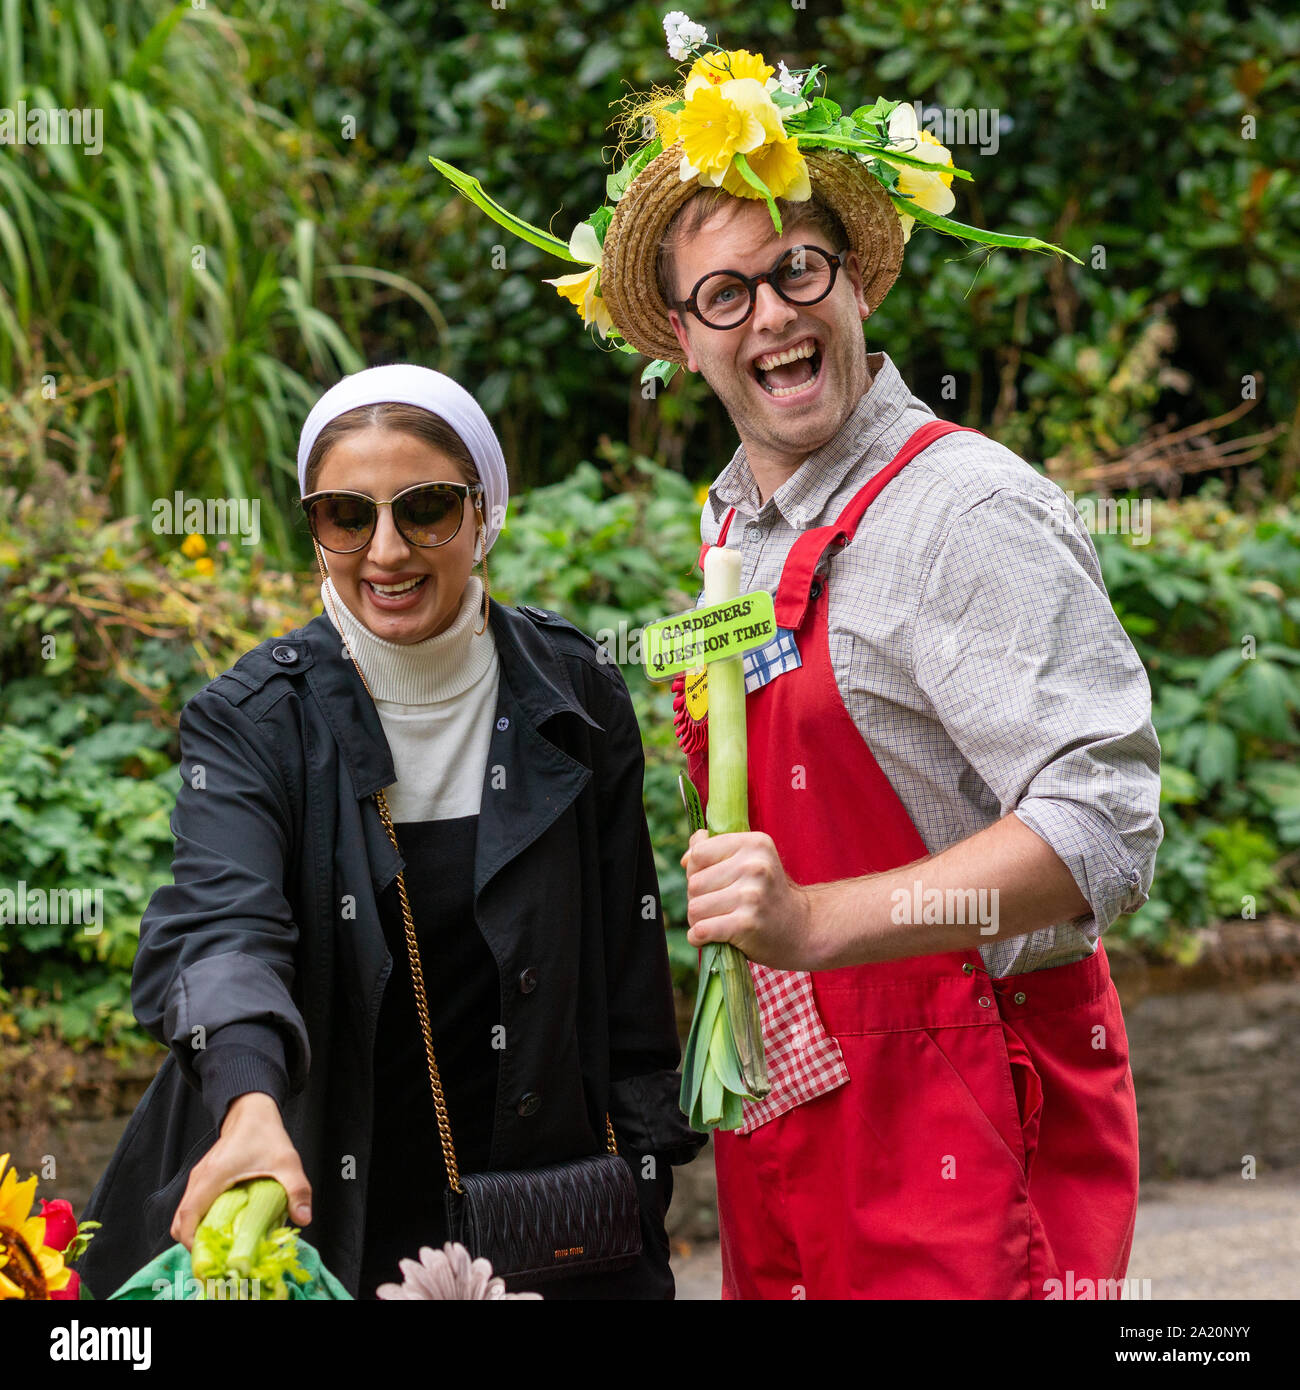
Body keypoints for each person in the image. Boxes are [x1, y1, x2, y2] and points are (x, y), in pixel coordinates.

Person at [433, 21, 1162, 1299]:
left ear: (857, 283)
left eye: (798, 271)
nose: (770, 313)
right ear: (680, 332)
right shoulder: (736, 524)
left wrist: (815, 921)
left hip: (970, 1119)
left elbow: (1102, 830)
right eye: (727, 293)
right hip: (794, 1120)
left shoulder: (965, 513)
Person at [76, 365, 704, 1301]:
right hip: (320, 1191)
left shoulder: (576, 693)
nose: (385, 550)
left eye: (425, 509)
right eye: (344, 516)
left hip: (543, 1213)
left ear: (483, 510)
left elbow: (627, 985)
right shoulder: (253, 720)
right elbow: (221, 932)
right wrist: (249, 1103)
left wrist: (642, 1196)